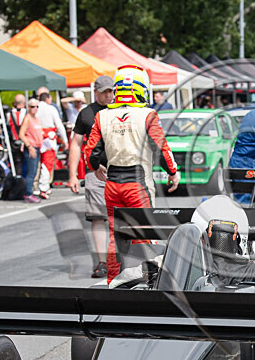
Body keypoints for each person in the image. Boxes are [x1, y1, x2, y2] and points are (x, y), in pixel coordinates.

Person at [85, 65, 180, 283]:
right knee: (144, 233)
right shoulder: (148, 114)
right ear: (141, 89)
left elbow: (90, 152)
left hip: (112, 183)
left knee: (115, 236)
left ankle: (113, 281)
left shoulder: (102, 115)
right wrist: (173, 172)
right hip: (138, 184)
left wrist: (95, 167)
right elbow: (161, 146)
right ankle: (148, 279)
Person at [67, 75, 114, 277]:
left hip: (120, 169)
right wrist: (72, 175)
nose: (108, 95)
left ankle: (123, 259)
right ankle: (101, 262)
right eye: (104, 91)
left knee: (123, 218)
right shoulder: (87, 114)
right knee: (98, 218)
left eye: (111, 90)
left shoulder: (122, 110)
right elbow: (76, 144)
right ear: (95, 92)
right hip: (95, 171)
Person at [18, 98, 43, 203]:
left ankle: (30, 191)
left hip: (37, 147)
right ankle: (28, 193)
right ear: (28, 107)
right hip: (31, 147)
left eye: (37, 107)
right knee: (31, 172)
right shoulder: (27, 118)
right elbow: (21, 134)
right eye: (33, 106)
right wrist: (29, 146)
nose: (35, 109)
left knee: (35, 170)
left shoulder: (36, 119)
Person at [6, 93, 27, 174]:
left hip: (13, 142)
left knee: (16, 163)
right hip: (25, 141)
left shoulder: (9, 114)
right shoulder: (27, 113)